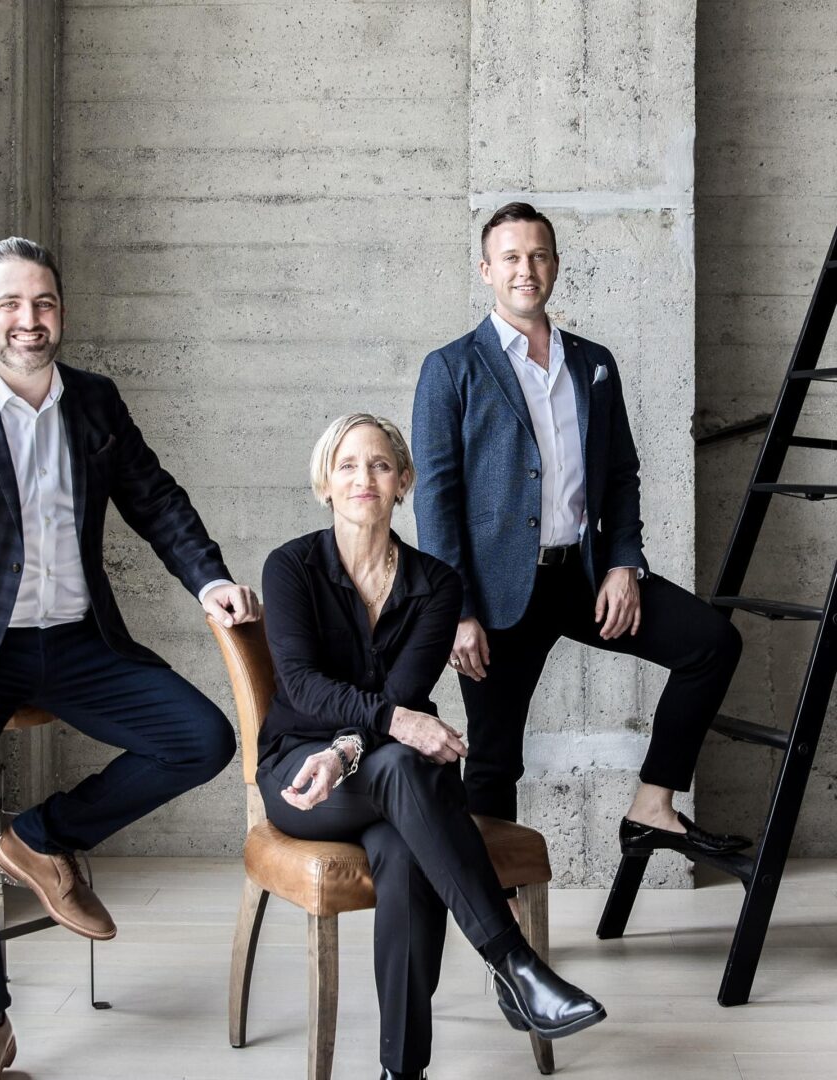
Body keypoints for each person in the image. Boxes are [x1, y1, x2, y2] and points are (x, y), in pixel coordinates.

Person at [0, 237, 260, 1079]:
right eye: (9, 304)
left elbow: (156, 497)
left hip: (80, 643)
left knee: (202, 740)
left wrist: (210, 579)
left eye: (42, 304)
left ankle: (41, 837)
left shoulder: (95, 403)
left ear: (61, 316)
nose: (28, 320)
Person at [258, 413, 605, 1080]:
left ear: (404, 482)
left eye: (381, 465)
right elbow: (302, 688)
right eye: (349, 465)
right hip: (301, 777)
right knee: (408, 759)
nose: (365, 478)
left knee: (404, 847)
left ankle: (403, 1069)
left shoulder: (437, 586)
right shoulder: (291, 568)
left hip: (381, 777)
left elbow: (405, 695)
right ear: (325, 483)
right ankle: (516, 965)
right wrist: (373, 733)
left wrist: (357, 745)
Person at [411, 201, 748, 865]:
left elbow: (620, 474)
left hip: (584, 578)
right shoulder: (450, 368)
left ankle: (651, 806)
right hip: (498, 595)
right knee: (494, 760)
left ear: (556, 265)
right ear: (486, 270)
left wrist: (625, 563)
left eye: (537, 255)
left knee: (711, 644)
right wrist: (459, 612)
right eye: (510, 257)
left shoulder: (593, 363)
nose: (525, 269)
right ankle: (497, 930)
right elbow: (436, 501)